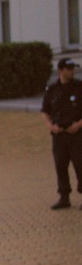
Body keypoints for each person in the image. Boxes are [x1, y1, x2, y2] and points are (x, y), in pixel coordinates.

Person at [41, 57, 82, 209]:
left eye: (73, 68)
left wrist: (78, 125)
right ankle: (64, 197)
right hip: (59, 135)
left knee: (80, 164)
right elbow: (45, 111)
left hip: (77, 134)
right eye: (69, 69)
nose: (72, 71)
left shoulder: (79, 87)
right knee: (60, 165)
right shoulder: (52, 90)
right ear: (60, 70)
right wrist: (50, 126)